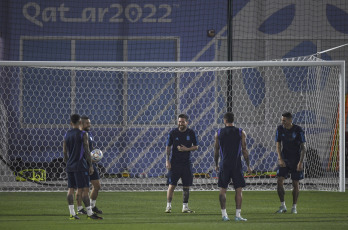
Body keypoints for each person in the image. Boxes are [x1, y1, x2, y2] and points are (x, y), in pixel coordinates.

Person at [63, 114, 103, 220]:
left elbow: (64, 151)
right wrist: (90, 165)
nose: (89, 124)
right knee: (85, 189)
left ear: (71, 123)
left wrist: (67, 163)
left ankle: (72, 213)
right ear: (80, 122)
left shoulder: (67, 134)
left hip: (70, 165)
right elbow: (86, 150)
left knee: (71, 189)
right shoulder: (83, 134)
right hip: (81, 165)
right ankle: (89, 213)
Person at [214, 112, 251, 222]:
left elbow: (216, 150)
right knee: (239, 190)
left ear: (224, 120)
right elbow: (244, 150)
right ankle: (238, 215)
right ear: (233, 120)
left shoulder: (219, 133)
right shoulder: (241, 132)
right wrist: (248, 165)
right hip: (236, 165)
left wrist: (216, 164)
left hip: (224, 164)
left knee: (222, 190)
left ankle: (224, 215)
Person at [165, 114, 198, 213]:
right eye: (179, 121)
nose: (181, 123)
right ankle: (168, 206)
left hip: (186, 163)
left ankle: (185, 207)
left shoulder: (191, 133)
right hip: (174, 164)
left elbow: (196, 146)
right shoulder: (173, 133)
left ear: (187, 122)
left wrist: (186, 149)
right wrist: (167, 160)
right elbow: (168, 147)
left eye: (183, 122)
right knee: (171, 185)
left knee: (186, 186)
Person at [275, 112, 306, 214]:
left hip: (296, 160)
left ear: (290, 120)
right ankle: (283, 206)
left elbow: (303, 148)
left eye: (284, 120)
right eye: (281, 120)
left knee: (295, 183)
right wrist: (280, 158)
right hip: (285, 159)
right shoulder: (280, 129)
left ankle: (294, 207)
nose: (282, 122)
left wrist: (300, 162)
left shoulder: (298, 130)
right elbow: (278, 145)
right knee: (279, 181)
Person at [76, 116, 103, 215]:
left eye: (89, 123)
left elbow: (89, 148)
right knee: (82, 188)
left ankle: (92, 205)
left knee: (97, 185)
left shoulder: (89, 133)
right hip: (82, 163)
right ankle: (79, 209)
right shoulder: (78, 135)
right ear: (81, 124)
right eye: (87, 123)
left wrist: (94, 156)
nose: (89, 124)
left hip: (90, 163)